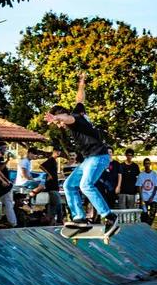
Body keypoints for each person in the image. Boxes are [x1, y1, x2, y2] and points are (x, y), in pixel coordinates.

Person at [44, 73, 119, 233]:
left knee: (85, 185)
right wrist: (81, 82)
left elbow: (68, 119)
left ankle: (110, 217)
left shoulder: (73, 119)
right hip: (89, 159)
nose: (59, 125)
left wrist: (57, 118)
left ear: (63, 116)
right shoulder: (80, 112)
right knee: (69, 185)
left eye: (58, 123)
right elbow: (80, 98)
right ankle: (80, 219)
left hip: (98, 156)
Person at [0, 144, 16, 227]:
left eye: (5, 148)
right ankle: (12, 222)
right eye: (3, 148)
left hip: (2, 180)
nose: (4, 150)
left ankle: (12, 221)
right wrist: (3, 180)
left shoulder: (0, 159)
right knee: (8, 203)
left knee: (9, 202)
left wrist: (6, 180)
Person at [40, 146, 63, 224]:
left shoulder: (54, 161)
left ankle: (50, 220)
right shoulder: (51, 160)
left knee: (51, 205)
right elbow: (41, 166)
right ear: (53, 151)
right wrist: (48, 174)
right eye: (57, 151)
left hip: (55, 186)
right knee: (58, 204)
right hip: (51, 186)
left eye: (59, 151)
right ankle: (59, 221)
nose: (58, 153)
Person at [136, 158, 157, 225]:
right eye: (145, 163)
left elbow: (156, 186)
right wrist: (141, 198)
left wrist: (152, 197)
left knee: (152, 213)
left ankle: (149, 225)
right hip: (144, 197)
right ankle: (144, 226)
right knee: (143, 214)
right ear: (143, 164)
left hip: (153, 197)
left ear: (150, 164)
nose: (147, 165)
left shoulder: (154, 174)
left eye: (148, 163)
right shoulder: (141, 175)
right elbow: (139, 186)